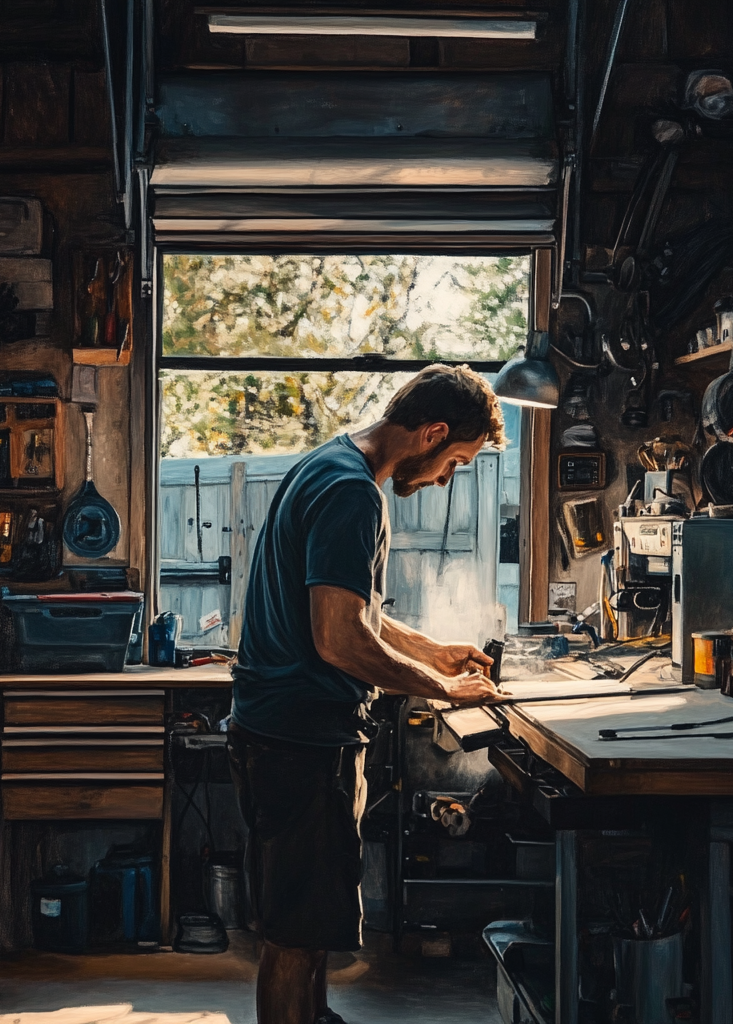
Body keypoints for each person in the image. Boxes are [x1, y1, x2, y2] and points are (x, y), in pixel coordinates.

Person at [228, 364, 505, 1024]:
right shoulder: (354, 494)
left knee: (309, 927)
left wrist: (430, 650)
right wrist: (442, 688)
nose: (446, 480)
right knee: (295, 939)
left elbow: (352, 612)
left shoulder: (328, 462)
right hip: (302, 742)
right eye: (455, 462)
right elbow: (338, 641)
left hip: (287, 733)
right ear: (432, 433)